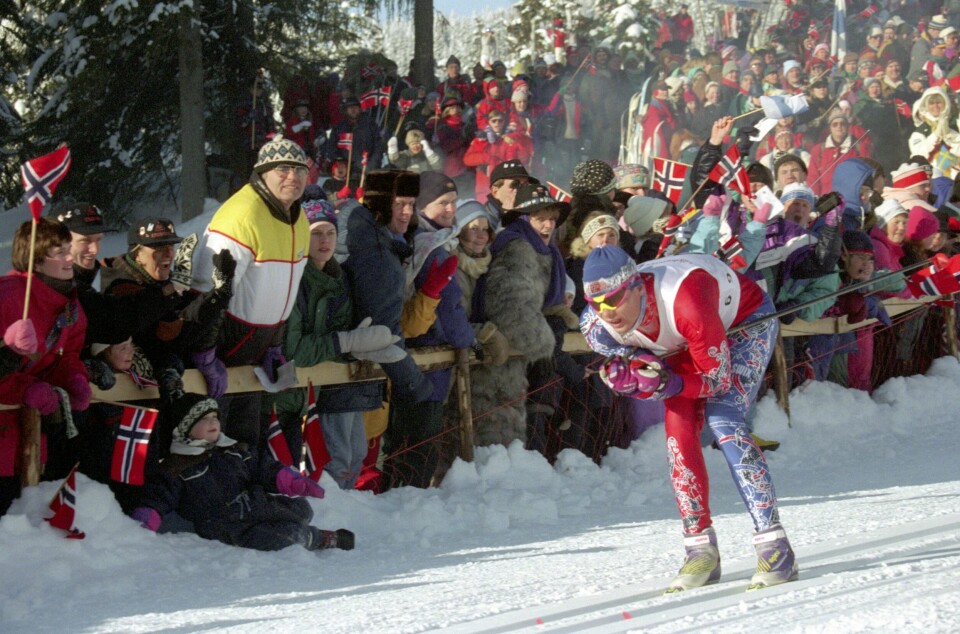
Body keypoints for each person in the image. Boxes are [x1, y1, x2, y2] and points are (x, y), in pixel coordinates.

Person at [579, 245, 798, 592]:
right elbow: (641, 372)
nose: (607, 311)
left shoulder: (684, 300)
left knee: (724, 420)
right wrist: (633, 380)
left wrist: (667, 381)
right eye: (597, 302)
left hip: (743, 324)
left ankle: (774, 545)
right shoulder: (596, 328)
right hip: (680, 342)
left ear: (637, 286)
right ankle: (700, 549)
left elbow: (717, 380)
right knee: (678, 430)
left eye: (615, 298)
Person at [190, 136, 310, 449]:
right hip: (224, 345)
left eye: (300, 170)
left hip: (260, 349)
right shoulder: (240, 216)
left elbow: (285, 289)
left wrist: (276, 342)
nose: (293, 177)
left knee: (249, 440)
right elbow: (207, 289)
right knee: (214, 438)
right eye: (283, 169)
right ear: (262, 172)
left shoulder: (300, 219)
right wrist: (205, 350)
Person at [271, 198, 400, 489]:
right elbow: (295, 350)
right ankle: (328, 518)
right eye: (316, 232)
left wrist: (356, 349)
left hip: (321, 390)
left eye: (330, 232)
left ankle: (345, 515)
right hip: (284, 398)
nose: (325, 240)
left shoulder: (339, 279)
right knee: (332, 464)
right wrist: (345, 342)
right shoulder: (294, 279)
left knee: (356, 456)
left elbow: (336, 337)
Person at [132, 389, 354, 552]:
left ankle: (301, 527)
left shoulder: (231, 450)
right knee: (280, 535)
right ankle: (316, 538)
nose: (213, 422)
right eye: (203, 419)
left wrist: (293, 481)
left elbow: (263, 467)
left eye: (214, 417)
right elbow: (159, 495)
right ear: (184, 429)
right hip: (225, 524)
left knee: (302, 509)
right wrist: (146, 518)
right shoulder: (177, 465)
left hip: (254, 504)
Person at [0, 218, 91, 516]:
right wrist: (25, 388)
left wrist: (74, 379)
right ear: (36, 262)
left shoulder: (69, 305)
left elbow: (68, 355)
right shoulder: (9, 297)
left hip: (31, 438)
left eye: (68, 249)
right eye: (59, 252)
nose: (69, 258)